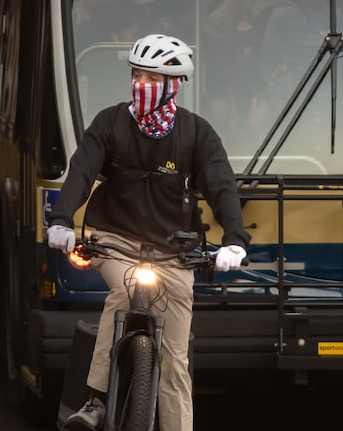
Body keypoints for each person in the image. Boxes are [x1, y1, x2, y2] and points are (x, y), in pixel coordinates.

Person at [47, 33, 250, 431]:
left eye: (152, 79)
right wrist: (61, 219)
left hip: (173, 253)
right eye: (137, 75)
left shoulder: (196, 134)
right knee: (123, 291)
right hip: (114, 240)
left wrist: (235, 242)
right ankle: (96, 401)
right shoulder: (110, 122)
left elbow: (223, 187)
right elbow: (82, 170)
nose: (141, 84)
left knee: (174, 362)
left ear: (173, 86)